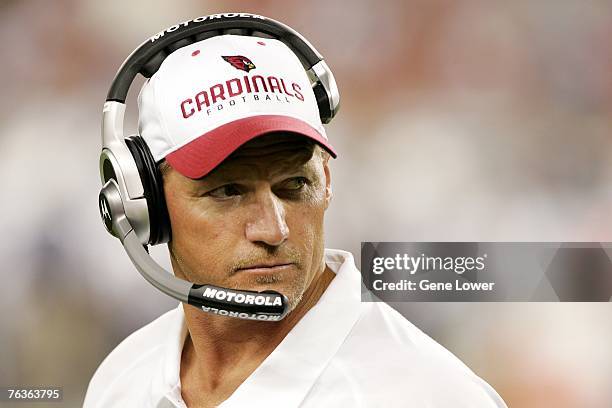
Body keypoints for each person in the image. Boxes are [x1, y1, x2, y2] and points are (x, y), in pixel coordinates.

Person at [84, 27, 507, 408]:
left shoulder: (430, 397)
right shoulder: (121, 380)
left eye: (294, 185)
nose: (274, 229)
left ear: (325, 178)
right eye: (228, 191)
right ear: (145, 204)